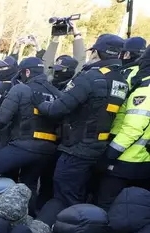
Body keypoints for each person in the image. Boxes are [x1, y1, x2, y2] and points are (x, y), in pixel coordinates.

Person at [36, 34, 128, 207]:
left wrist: (39, 103)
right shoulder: (122, 81)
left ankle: (68, 230)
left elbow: (57, 109)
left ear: (96, 53)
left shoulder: (89, 78)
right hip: (100, 146)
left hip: (76, 148)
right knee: (81, 191)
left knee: (65, 193)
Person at [0, 57, 61, 217]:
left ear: (26, 72)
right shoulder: (56, 93)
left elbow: (1, 118)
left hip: (23, 145)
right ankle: (27, 219)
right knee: (30, 184)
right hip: (48, 149)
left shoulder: (21, 90)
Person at [95, 49, 150, 209]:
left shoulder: (145, 90)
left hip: (125, 161)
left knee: (107, 205)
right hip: (144, 160)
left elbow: (132, 128)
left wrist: (109, 155)